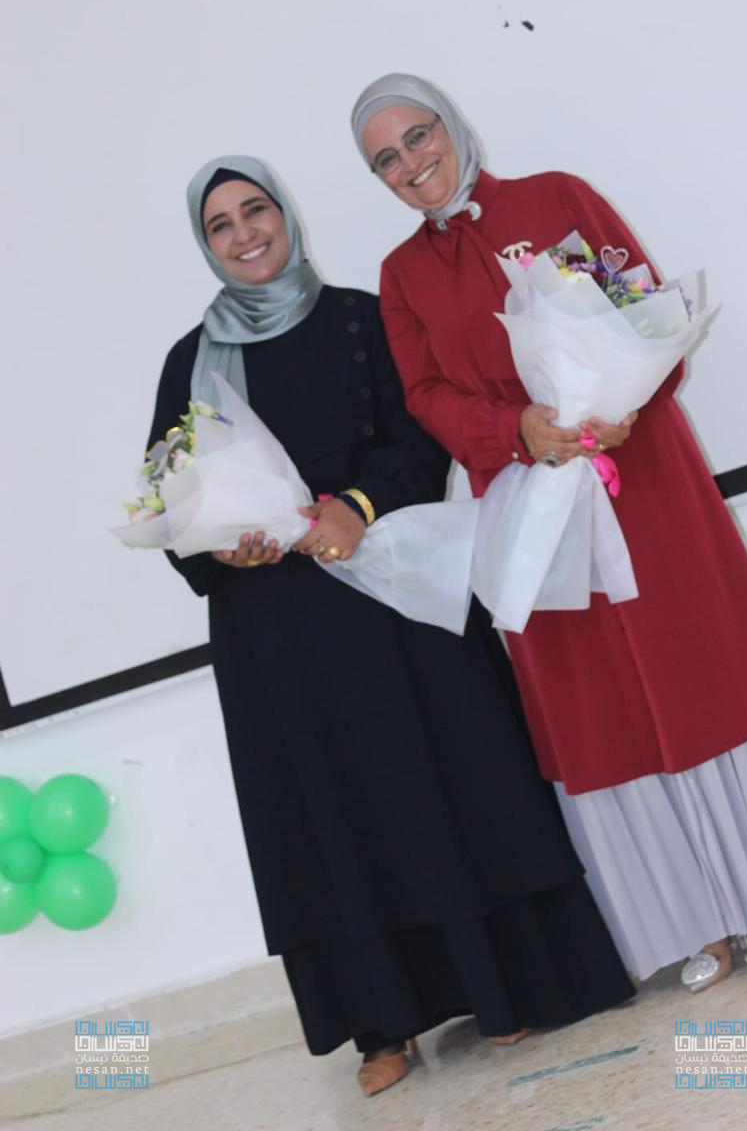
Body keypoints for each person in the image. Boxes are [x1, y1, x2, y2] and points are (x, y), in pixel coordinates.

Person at [145, 154, 635, 1097]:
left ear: (286, 215)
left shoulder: (361, 319)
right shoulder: (189, 362)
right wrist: (220, 549)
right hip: (276, 630)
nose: (245, 234)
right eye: (221, 225)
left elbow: (418, 439)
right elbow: (168, 497)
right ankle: (381, 1028)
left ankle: (503, 988)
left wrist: (355, 507)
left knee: (446, 781)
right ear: (204, 245)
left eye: (256, 211)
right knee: (330, 814)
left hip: (390, 591)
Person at [351, 74, 747, 993]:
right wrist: (514, 431)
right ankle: (692, 923)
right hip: (530, 500)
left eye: (417, 135)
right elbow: (424, 395)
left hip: (640, 473)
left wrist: (622, 398)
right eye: (385, 158)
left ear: (451, 125)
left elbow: (647, 307)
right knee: (600, 708)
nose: (410, 163)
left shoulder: (555, 197)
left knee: (701, 670)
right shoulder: (401, 277)